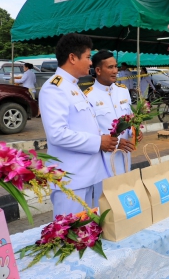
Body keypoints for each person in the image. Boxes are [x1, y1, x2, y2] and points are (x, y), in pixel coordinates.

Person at [39, 33, 118, 216]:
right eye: (88, 57)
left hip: (87, 176)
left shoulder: (73, 86)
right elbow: (57, 134)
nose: (91, 63)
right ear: (72, 58)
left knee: (86, 235)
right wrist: (98, 142)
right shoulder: (54, 88)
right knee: (70, 236)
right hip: (71, 180)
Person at [85, 50, 143, 207]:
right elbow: (91, 132)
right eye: (110, 67)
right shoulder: (88, 96)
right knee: (105, 202)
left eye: (116, 66)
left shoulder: (122, 90)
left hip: (125, 156)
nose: (116, 71)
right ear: (98, 70)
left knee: (125, 197)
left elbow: (130, 118)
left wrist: (135, 132)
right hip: (104, 160)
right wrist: (116, 143)